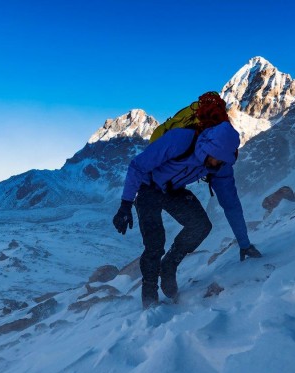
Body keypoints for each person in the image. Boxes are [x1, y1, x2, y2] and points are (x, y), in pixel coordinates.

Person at [112, 91, 262, 309]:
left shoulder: (220, 166)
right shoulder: (180, 139)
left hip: (174, 190)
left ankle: (169, 265)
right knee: (155, 243)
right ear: (209, 147)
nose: (217, 164)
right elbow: (138, 165)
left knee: (201, 225)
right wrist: (126, 204)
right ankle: (150, 301)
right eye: (215, 159)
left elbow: (231, 204)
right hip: (148, 187)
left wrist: (244, 244)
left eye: (222, 161)